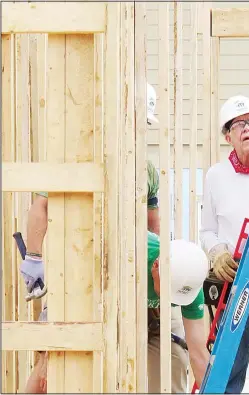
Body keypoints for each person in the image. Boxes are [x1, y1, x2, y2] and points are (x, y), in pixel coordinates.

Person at [22, 83, 161, 393]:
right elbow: (40, 206)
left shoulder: (147, 170)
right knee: (51, 361)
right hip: (72, 274)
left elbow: (153, 224)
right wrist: (33, 257)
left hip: (122, 281)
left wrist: (155, 265)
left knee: (119, 362)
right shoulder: (80, 156)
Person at [200, 95, 249, 393]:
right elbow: (207, 231)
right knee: (232, 361)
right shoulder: (217, 176)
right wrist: (217, 254)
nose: (247, 129)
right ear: (229, 137)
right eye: (239, 125)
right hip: (239, 278)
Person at [147, 232, 210, 392]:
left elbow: (198, 353)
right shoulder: (133, 257)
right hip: (123, 302)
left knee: (175, 359)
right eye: (172, 296)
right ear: (155, 267)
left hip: (160, 312)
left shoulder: (190, 283)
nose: (175, 302)